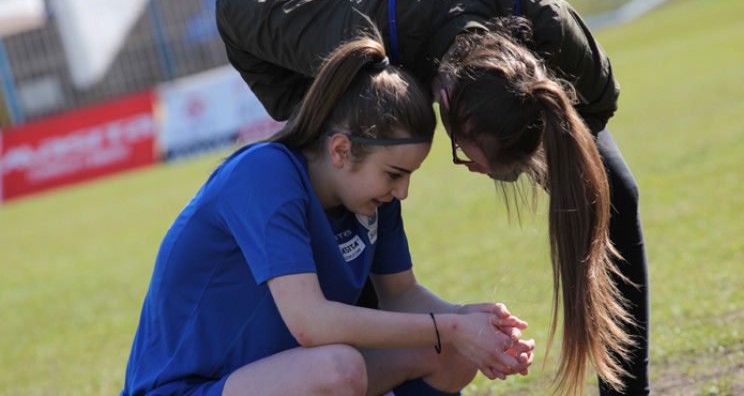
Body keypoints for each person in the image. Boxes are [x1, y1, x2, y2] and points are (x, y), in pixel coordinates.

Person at [215, 0, 650, 394]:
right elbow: (233, 10)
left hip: (475, 30)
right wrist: (318, 112)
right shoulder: (356, 32)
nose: (477, 172)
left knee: (616, 197)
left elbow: (597, 109)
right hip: (376, 20)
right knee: (351, 213)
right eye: (470, 160)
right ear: (445, 105)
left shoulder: (550, 25)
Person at [120, 35, 535, 396]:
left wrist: (469, 321)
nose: (403, 191)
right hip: (188, 388)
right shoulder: (264, 175)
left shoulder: (373, 198)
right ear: (340, 150)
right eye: (394, 174)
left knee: (445, 350)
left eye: (410, 175)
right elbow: (311, 324)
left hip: (287, 377)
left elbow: (401, 295)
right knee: (338, 371)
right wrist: (452, 329)